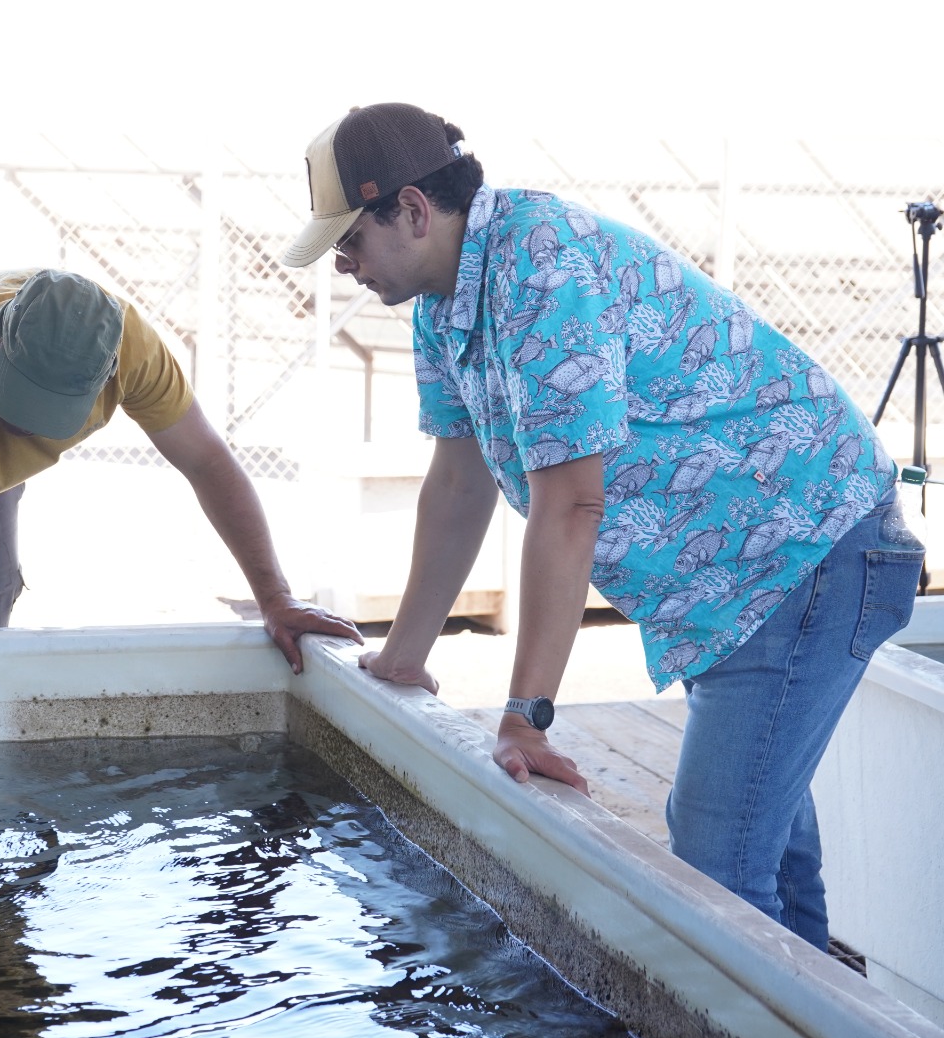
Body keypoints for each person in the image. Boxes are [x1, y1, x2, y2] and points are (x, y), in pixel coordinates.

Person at [280, 102, 923, 951]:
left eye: (349, 239)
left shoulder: (540, 263)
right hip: (732, 575)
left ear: (411, 209)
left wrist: (526, 716)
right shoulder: (443, 304)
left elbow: (573, 503)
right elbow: (458, 485)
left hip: (805, 549)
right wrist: (404, 654)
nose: (345, 262)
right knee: (760, 856)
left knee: (712, 877)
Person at [0, 268, 363, 804]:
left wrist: (275, 598)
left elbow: (207, 462)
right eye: (18, 403)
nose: (26, 427)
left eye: (50, 413)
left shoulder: (132, 350)